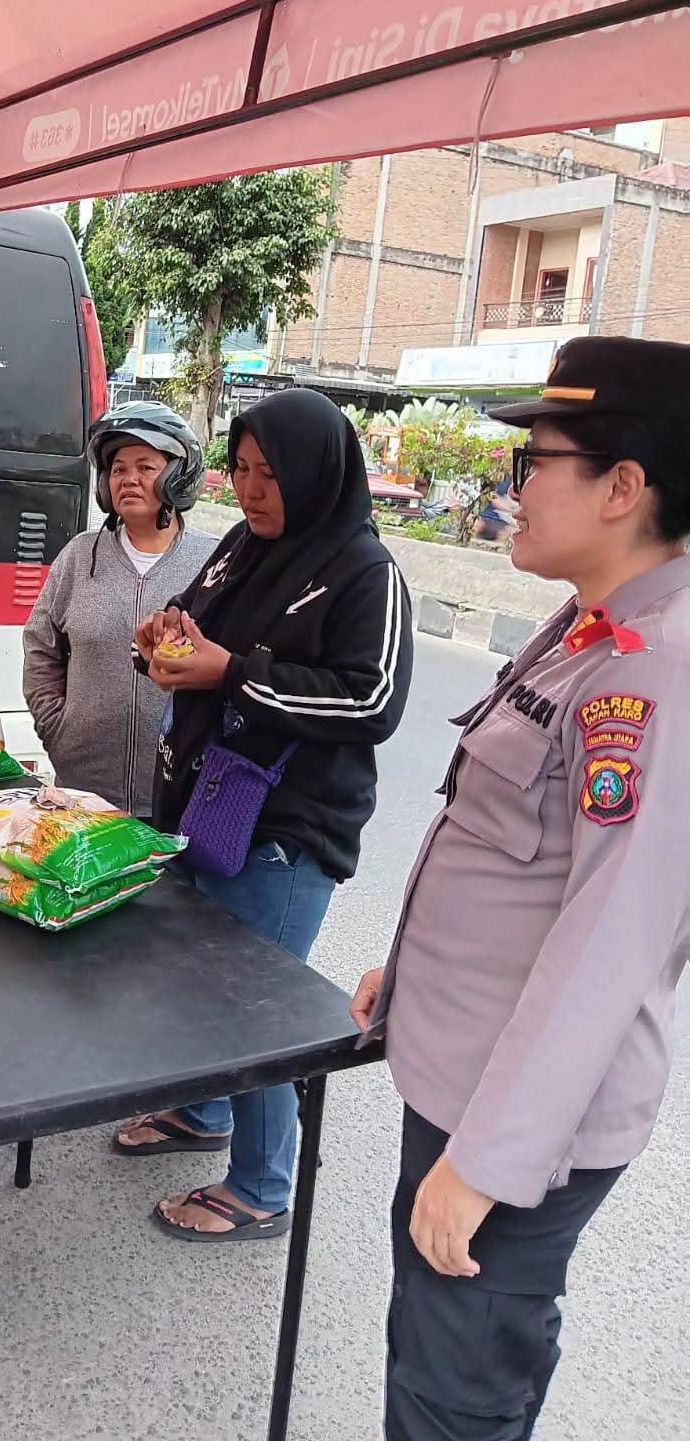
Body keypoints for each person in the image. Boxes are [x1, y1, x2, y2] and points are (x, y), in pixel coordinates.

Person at [351, 336, 690, 1441]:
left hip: (517, 1124)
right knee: (434, 1357)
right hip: (472, 1075)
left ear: (622, 489)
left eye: (533, 462)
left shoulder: (657, 667)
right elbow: (506, 849)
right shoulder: (587, 623)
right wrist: (411, 974)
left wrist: (488, 1164)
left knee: (454, 1397)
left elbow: (612, 940)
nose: (514, 488)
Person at [117, 389, 413, 1240]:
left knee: (256, 1008)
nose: (250, 489)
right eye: (241, 469)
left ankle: (262, 1186)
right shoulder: (244, 547)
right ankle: (205, 1108)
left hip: (286, 826)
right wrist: (163, 644)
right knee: (197, 980)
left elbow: (373, 702)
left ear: (317, 473)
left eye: (270, 474)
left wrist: (231, 673)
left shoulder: (364, 571)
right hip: (205, 802)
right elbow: (197, 638)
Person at [23, 402, 213, 816]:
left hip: (179, 798)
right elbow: (40, 648)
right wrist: (57, 730)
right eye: (119, 469)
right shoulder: (79, 557)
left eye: (146, 467)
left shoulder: (212, 563)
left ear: (178, 476)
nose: (128, 479)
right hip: (82, 795)